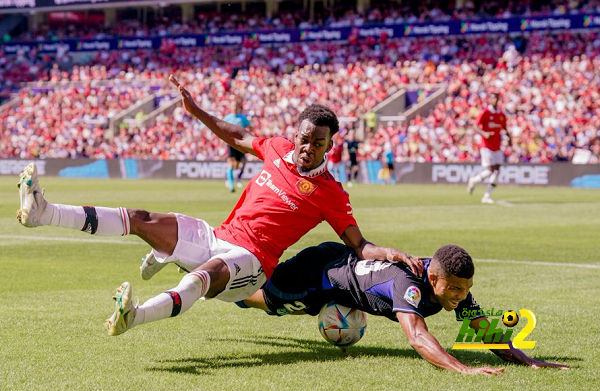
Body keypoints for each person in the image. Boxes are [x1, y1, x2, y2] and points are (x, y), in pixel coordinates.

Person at [16, 74, 421, 337]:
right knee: (140, 218)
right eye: (303, 138)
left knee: (203, 277)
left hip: (253, 264)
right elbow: (238, 136)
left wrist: (389, 254)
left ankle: (134, 315)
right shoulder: (277, 149)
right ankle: (43, 213)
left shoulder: (331, 193)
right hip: (218, 237)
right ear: (294, 134)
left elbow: (358, 244)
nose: (306, 148)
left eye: (318, 143)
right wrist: (197, 112)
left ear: (330, 146)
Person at [239, 242, 570, 375]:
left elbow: (484, 329)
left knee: (302, 309)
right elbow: (417, 337)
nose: (460, 295)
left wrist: (527, 359)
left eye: (466, 289)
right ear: (433, 277)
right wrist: (463, 369)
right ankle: (225, 290)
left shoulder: (452, 288)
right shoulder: (408, 283)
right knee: (266, 299)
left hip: (342, 288)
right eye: (455, 288)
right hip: (320, 269)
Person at [467, 92, 512, 204]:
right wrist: (484, 133)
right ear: (490, 100)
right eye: (493, 98)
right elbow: (475, 126)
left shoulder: (501, 115)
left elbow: (505, 128)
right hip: (486, 145)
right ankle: (475, 181)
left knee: (497, 171)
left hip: (497, 145)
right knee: (491, 169)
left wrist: (510, 139)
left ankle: (486, 195)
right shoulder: (485, 113)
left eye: (497, 99)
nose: (495, 101)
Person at [223, 100, 252, 192]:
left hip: (240, 143)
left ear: (238, 107)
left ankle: (238, 177)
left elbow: (249, 126)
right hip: (231, 143)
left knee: (242, 162)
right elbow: (221, 128)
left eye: (236, 105)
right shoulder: (227, 118)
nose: (234, 107)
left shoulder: (242, 118)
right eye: (233, 105)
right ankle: (231, 185)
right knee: (231, 163)